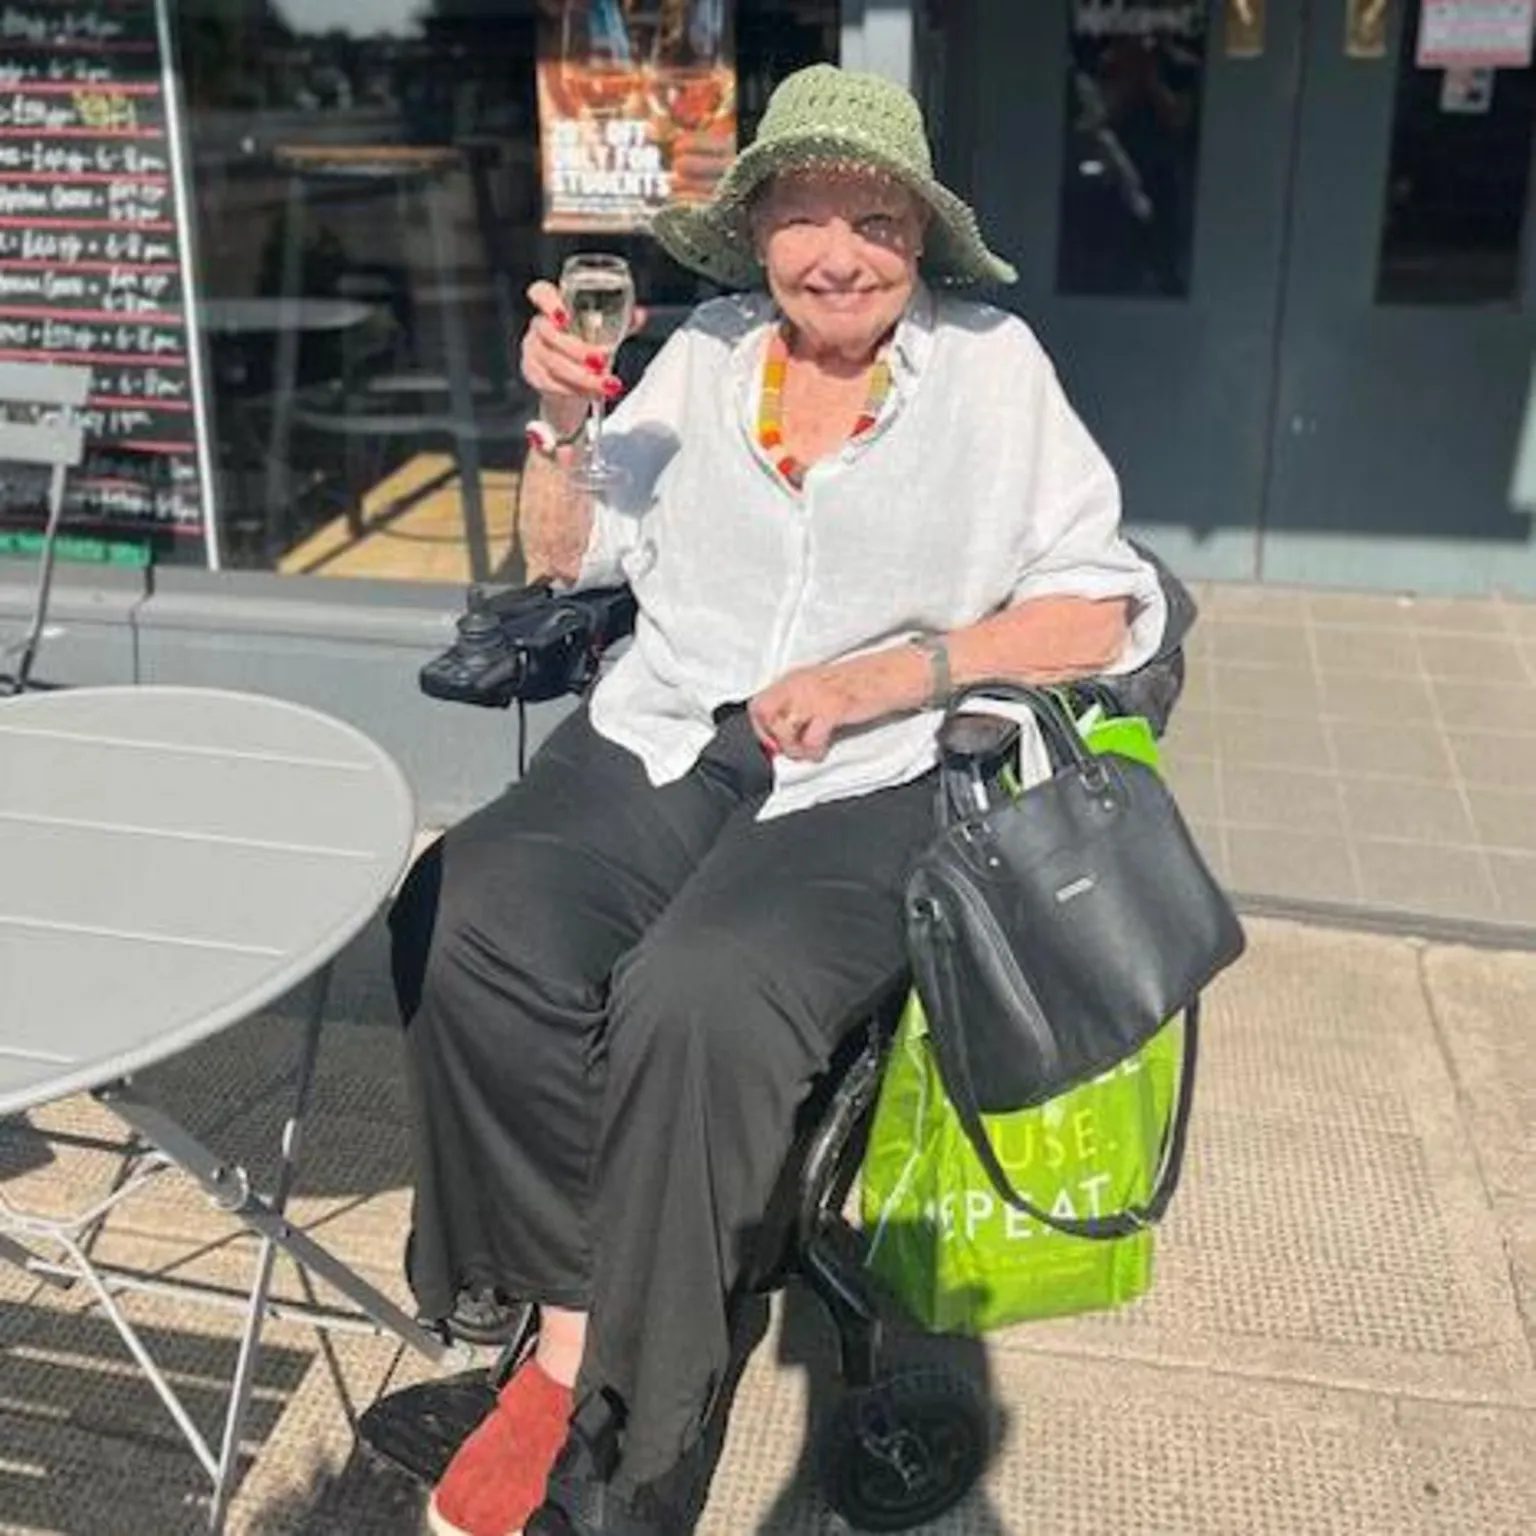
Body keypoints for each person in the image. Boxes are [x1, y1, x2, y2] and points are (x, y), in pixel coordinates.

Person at [392, 63, 1168, 1536]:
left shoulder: (994, 373)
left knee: (703, 990)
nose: (838, 251)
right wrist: (556, 426)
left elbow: (1105, 611)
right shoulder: (697, 360)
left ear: (920, 240)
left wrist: (900, 675)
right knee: (468, 914)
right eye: (803, 213)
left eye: (872, 217)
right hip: (681, 726)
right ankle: (567, 1333)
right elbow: (568, 559)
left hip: (881, 766)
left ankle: (643, 1418)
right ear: (753, 232)